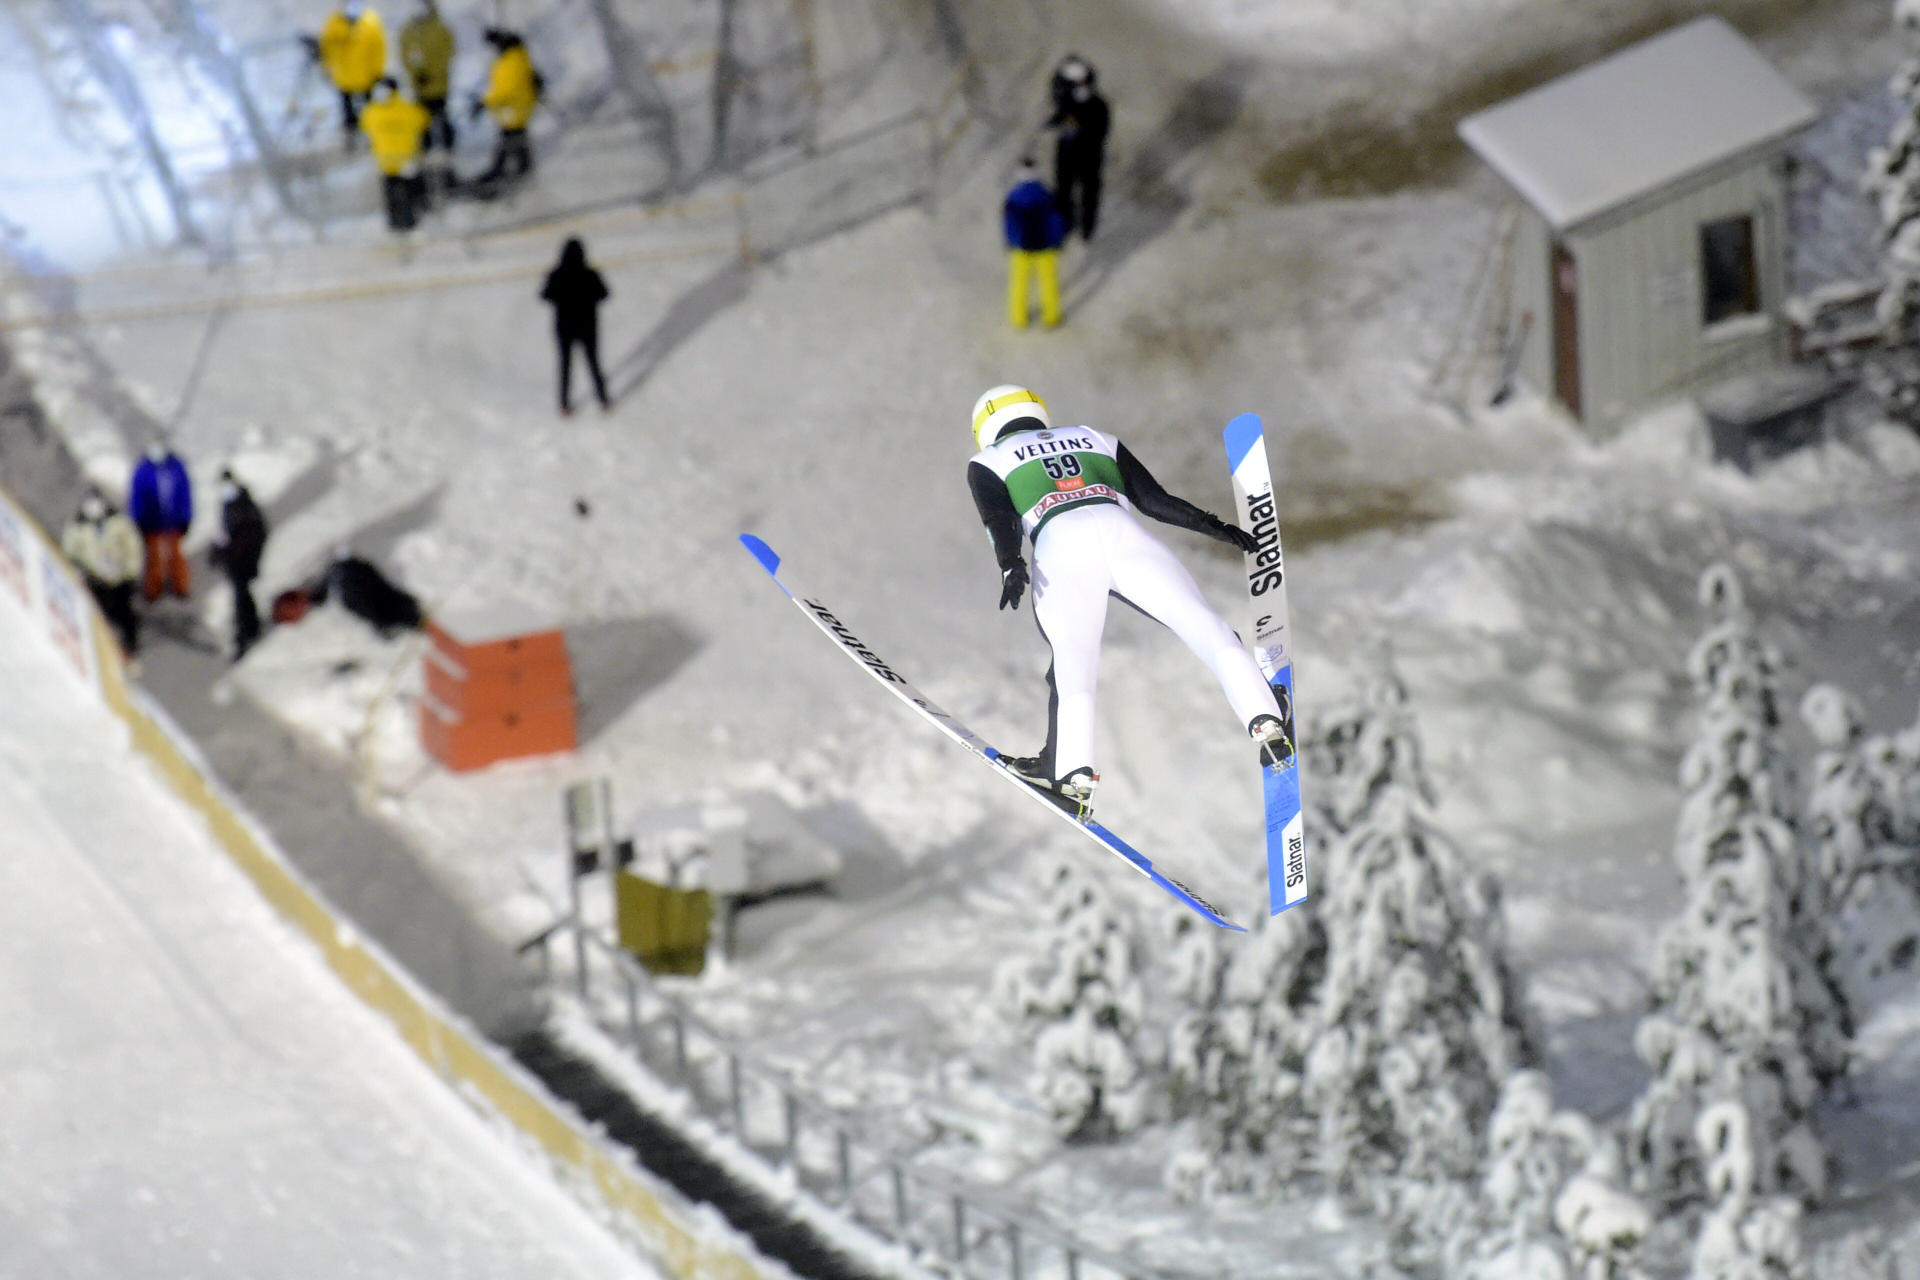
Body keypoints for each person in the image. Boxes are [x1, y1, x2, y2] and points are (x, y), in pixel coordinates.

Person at [965, 385, 1287, 816]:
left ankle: (1072, 776)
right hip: (1125, 536)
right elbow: (1155, 501)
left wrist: (1011, 565)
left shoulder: (987, 461)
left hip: (1060, 546)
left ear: (984, 428)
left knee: (1073, 661)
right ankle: (1266, 721)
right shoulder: (1095, 437)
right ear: (1036, 410)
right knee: (1203, 626)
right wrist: (1215, 527)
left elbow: (998, 519)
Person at [60, 489, 142, 658]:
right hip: (96, 581)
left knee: (125, 613)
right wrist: (79, 573)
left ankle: (130, 645)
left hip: (120, 578)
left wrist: (132, 571)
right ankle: (105, 650)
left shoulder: (119, 523)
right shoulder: (77, 529)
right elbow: (68, 554)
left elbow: (132, 547)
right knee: (101, 617)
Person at [540, 238, 612, 414]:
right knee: (594, 363)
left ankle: (564, 405)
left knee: (565, 366)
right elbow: (604, 294)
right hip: (588, 326)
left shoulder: (556, 274)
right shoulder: (590, 274)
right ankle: (603, 400)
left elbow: (545, 295)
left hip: (564, 328)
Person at [1047, 57, 1108, 241]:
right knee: (1065, 191)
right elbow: (1060, 113)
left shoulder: (1098, 106)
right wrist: (1055, 123)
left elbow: (1100, 133)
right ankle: (1068, 223)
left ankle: (1086, 229)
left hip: (1087, 156)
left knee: (1088, 194)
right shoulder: (1069, 99)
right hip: (1069, 154)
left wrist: (1078, 130)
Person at [209, 469, 268, 661]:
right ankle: (252, 628)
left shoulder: (246, 506)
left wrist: (247, 554)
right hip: (234, 561)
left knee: (240, 599)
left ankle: (243, 638)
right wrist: (217, 553)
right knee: (243, 595)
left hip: (244, 560)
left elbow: (256, 533)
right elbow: (223, 535)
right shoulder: (228, 506)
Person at [1003, 158, 1068, 330]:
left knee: (1019, 283)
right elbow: (1055, 221)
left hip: (1021, 248)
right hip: (1045, 246)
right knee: (1048, 282)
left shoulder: (1013, 197)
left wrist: (1010, 242)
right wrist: (1057, 241)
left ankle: (1018, 317)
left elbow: (1009, 224)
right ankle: (1051, 316)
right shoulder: (1047, 195)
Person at [360, 78, 430, 231]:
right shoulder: (402, 108)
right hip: (393, 161)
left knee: (403, 194)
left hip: (399, 160)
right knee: (398, 195)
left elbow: (422, 121)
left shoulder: (377, 110)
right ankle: (400, 224)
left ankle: (407, 223)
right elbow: (423, 120)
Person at [474, 27, 539, 186]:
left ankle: (502, 171)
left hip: (513, 109)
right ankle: (520, 169)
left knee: (510, 139)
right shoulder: (517, 58)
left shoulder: (511, 62)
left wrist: (484, 102)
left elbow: (505, 90)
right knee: (514, 138)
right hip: (514, 108)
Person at [128, 441, 193, 602]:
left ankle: (180, 587)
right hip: (152, 522)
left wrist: (185, 517)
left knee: (176, 555)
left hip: (173, 521)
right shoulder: (143, 471)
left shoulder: (176, 468)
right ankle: (153, 590)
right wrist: (139, 519)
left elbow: (185, 495)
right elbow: (136, 497)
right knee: (153, 556)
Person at [314, 2, 388, 141]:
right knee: (348, 110)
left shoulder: (370, 20)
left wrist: (378, 70)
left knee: (369, 108)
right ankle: (352, 135)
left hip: (365, 74)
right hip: (344, 76)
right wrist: (326, 67)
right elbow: (327, 48)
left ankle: (372, 134)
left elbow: (379, 48)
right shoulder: (334, 23)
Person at [399, 0, 456, 153]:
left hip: (438, 84)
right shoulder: (408, 31)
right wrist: (416, 74)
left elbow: (447, 54)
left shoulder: (440, 28)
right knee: (422, 118)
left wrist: (432, 74)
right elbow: (404, 55)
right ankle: (426, 144)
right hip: (419, 85)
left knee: (441, 114)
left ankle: (447, 144)